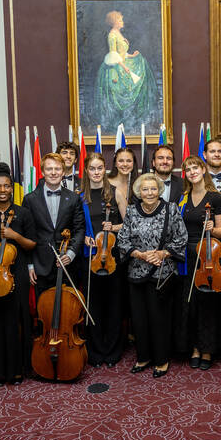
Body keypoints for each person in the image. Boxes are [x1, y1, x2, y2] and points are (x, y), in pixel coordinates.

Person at [117, 173, 187, 378]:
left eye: (153, 189)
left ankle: (162, 360)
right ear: (139, 192)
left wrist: (161, 254)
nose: (149, 193)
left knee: (159, 318)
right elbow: (123, 239)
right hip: (136, 271)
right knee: (139, 318)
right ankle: (144, 357)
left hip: (162, 272)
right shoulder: (131, 211)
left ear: (159, 190)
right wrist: (139, 254)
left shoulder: (170, 209)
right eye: (145, 189)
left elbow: (181, 237)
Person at [0, 162, 36, 386]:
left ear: (12, 188)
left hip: (16, 273)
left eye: (6, 186)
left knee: (14, 322)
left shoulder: (23, 213)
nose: (2, 190)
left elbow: (32, 245)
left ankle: (16, 370)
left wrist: (15, 236)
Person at [176, 156, 221, 371]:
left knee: (207, 305)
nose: (192, 172)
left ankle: (207, 349)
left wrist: (211, 229)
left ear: (203, 169)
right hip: (187, 257)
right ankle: (194, 348)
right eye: (187, 169)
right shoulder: (183, 197)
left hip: (207, 256)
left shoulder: (216, 198)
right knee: (189, 305)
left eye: (195, 167)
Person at [79, 153, 124, 367]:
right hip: (90, 258)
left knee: (114, 305)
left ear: (104, 170)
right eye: (92, 169)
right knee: (93, 304)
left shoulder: (115, 193)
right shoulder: (80, 197)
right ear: (86, 171)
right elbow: (75, 226)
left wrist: (113, 227)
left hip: (113, 257)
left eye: (99, 168)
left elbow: (130, 225)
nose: (96, 172)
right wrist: (84, 238)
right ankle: (96, 351)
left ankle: (113, 350)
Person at [22, 153, 85, 298]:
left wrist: (70, 254)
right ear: (42, 172)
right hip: (41, 265)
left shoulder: (74, 198)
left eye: (57, 169)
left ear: (63, 171)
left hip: (68, 264)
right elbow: (27, 235)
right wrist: (30, 265)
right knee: (44, 312)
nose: (53, 172)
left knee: (68, 311)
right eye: (49, 169)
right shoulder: (30, 199)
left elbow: (79, 229)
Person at [93, 10, 159, 133]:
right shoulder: (112, 35)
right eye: (120, 20)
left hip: (122, 63)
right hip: (115, 68)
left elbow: (121, 54)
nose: (122, 22)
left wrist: (132, 56)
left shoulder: (118, 33)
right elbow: (113, 54)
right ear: (114, 21)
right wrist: (124, 67)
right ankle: (118, 122)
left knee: (141, 64)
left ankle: (132, 121)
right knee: (121, 93)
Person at [108, 147, 137, 218]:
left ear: (133, 164)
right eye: (121, 161)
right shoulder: (105, 183)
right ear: (115, 164)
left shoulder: (139, 185)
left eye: (129, 161)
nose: (125, 164)